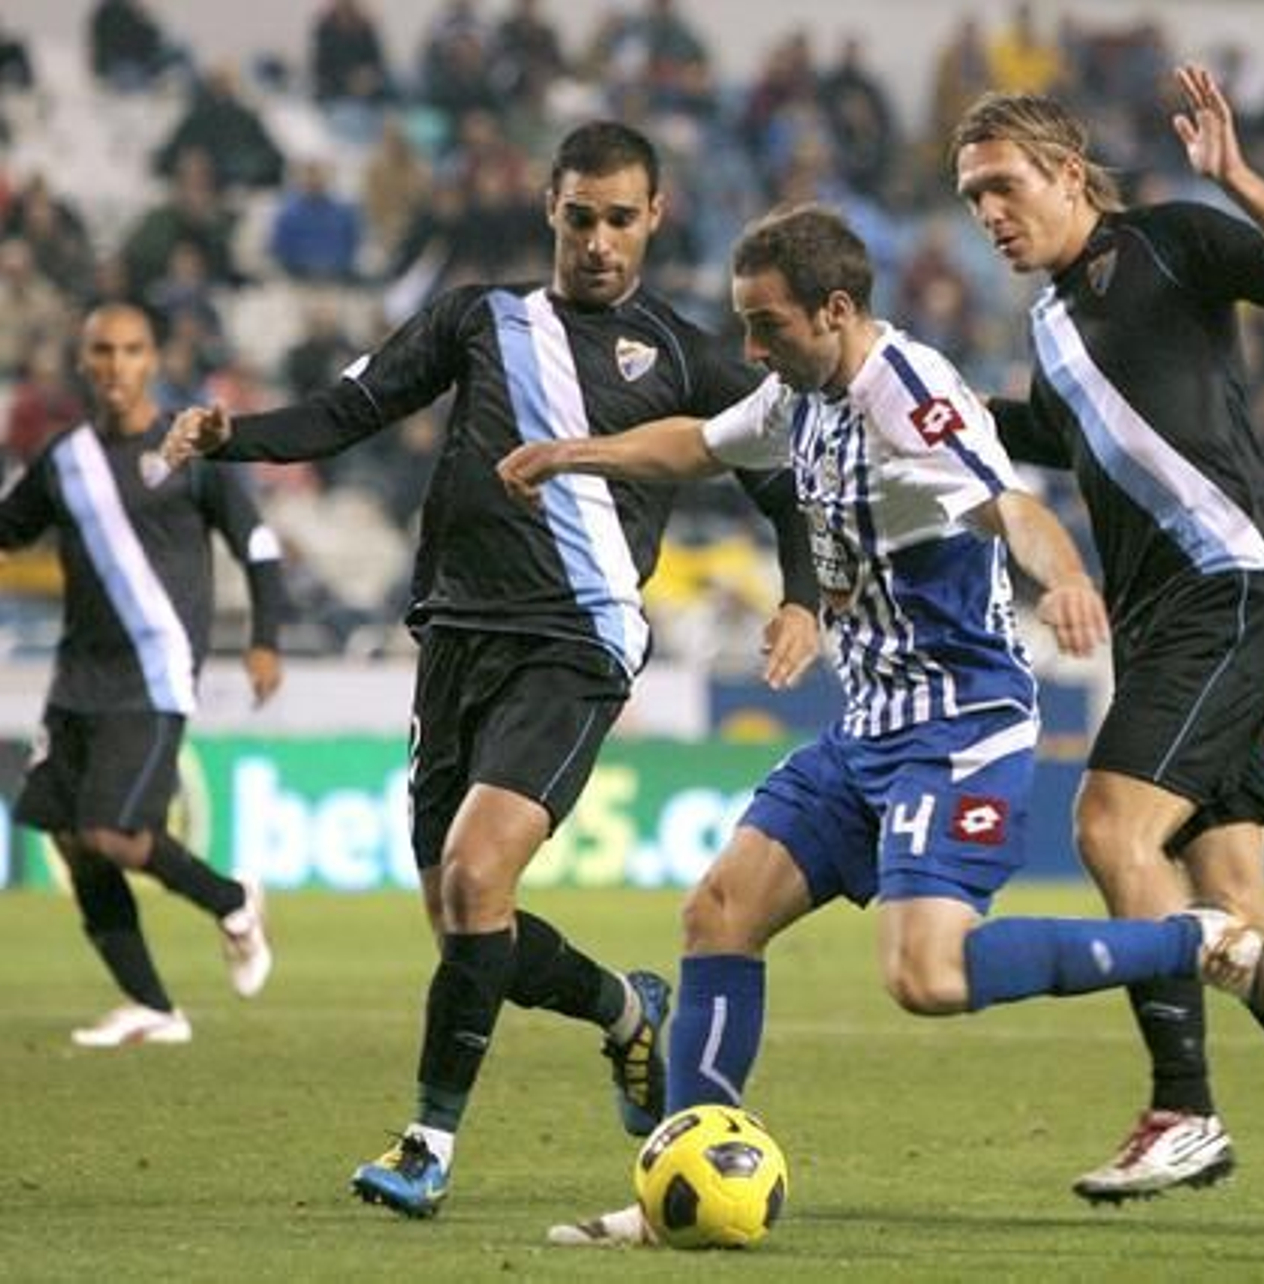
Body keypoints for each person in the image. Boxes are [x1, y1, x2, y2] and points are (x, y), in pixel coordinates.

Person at [496, 205, 1264, 1248]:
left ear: (835, 309)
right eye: (744, 325)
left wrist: (1062, 582)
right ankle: (680, 1177)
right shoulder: (802, 389)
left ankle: (1186, 938)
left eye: (767, 325)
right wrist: (577, 453)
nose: (750, 349)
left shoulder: (909, 400)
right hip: (865, 728)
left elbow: (1010, 505)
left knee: (926, 977)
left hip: (958, 727)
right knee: (718, 914)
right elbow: (700, 444)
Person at [160, 121, 823, 1219]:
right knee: (468, 923)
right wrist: (234, 433)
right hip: (452, 641)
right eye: (580, 218)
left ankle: (426, 1147)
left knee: (475, 878)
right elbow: (350, 410)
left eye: (621, 218)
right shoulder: (480, 318)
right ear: (549, 212)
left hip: (576, 641)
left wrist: (801, 595)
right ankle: (624, 1011)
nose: (600, 241)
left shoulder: (686, 354)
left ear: (654, 216)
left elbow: (780, 481)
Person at [950, 67, 1264, 1217]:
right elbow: (1069, 437)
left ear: (1069, 174)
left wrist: (1238, 178)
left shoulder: (1165, 243)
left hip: (1231, 593)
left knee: (1111, 827)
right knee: (1232, 898)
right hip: (1167, 622)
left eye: (1004, 187)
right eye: (972, 201)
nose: (989, 216)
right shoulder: (1051, 321)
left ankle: (1183, 1109)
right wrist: (923, 404)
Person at [0, 304, 283, 1047]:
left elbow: (256, 544)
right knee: (65, 833)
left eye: (130, 350)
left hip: (155, 674)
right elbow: (7, 529)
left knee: (113, 831)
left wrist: (266, 640)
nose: (116, 365)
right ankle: (154, 1006)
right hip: (77, 679)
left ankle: (233, 900)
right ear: (84, 360)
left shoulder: (188, 448)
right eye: (102, 351)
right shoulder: (65, 460)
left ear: (152, 359)